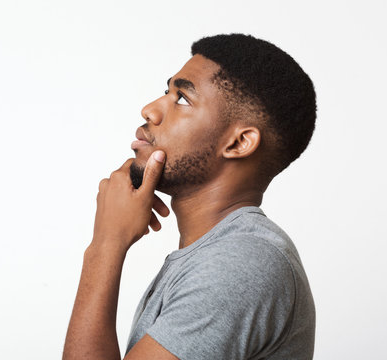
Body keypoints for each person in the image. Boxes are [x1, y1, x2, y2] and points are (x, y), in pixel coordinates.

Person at [62, 33, 316, 360]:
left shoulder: (240, 263)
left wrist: (106, 244)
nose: (150, 110)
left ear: (239, 143)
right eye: (166, 91)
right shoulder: (218, 253)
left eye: (182, 98)